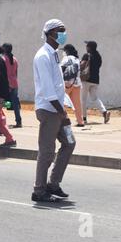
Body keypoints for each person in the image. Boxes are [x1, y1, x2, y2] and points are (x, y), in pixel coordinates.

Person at [32, 19, 76, 203]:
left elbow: (58, 86)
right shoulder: (42, 56)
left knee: (70, 143)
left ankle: (53, 183)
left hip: (57, 108)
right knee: (47, 151)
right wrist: (62, 113)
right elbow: (48, 90)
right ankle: (39, 190)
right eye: (60, 30)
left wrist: (64, 107)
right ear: (50, 33)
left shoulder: (54, 54)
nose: (63, 33)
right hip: (49, 110)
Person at [81, 41, 110, 124]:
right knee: (94, 98)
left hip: (86, 79)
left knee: (83, 99)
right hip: (95, 80)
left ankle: (84, 118)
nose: (86, 47)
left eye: (87, 46)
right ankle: (104, 112)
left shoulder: (87, 55)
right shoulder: (98, 56)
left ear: (89, 47)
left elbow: (82, 65)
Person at [61, 44, 84, 127]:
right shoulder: (76, 59)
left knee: (61, 101)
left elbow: (61, 69)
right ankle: (80, 121)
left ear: (66, 51)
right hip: (77, 82)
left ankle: (62, 119)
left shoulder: (66, 58)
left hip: (67, 83)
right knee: (77, 103)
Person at [2, 43, 22, 128]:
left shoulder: (3, 59)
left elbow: (3, 73)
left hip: (7, 84)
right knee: (15, 104)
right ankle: (19, 121)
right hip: (15, 83)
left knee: (0, 103)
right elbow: (16, 73)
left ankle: (0, 123)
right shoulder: (15, 59)